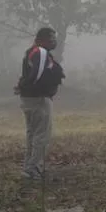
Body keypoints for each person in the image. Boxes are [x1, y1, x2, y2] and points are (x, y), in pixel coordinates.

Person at [14, 27, 65, 180]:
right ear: (42, 39)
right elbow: (37, 73)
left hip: (29, 98)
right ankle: (32, 169)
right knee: (42, 135)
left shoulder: (32, 51)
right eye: (52, 39)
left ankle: (29, 168)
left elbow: (31, 74)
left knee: (32, 134)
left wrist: (23, 87)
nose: (54, 42)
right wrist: (27, 86)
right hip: (39, 99)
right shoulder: (41, 52)